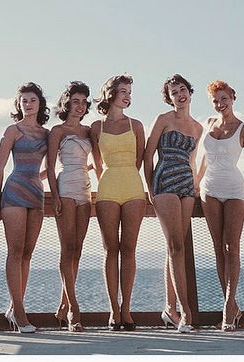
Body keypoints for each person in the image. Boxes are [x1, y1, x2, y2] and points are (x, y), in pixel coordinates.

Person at [197, 80, 244, 331]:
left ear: (233, 98)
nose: (220, 104)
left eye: (224, 98)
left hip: (234, 190)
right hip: (209, 190)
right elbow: (201, 161)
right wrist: (195, 184)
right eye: (215, 100)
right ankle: (230, 305)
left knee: (231, 246)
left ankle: (228, 307)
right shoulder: (208, 125)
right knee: (217, 248)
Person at [144, 74, 203, 333]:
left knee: (177, 248)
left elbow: (192, 160)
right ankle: (186, 311)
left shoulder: (198, 128)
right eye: (173, 92)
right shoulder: (163, 120)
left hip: (186, 186)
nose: (179, 95)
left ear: (189, 92)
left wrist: (196, 185)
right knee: (175, 246)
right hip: (165, 182)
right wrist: (150, 189)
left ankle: (170, 309)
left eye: (182, 89)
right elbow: (147, 155)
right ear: (169, 99)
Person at [90, 74, 146, 331]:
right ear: (110, 94)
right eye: (123, 91)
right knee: (110, 249)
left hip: (133, 186)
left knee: (129, 248)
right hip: (108, 186)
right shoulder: (96, 127)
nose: (127, 95)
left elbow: (139, 162)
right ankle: (114, 310)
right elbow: (97, 162)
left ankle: (127, 309)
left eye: (130, 92)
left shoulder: (137, 125)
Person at [0, 82, 50, 334]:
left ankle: (14, 306)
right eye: (24, 100)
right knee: (15, 251)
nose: (28, 104)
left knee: (27, 253)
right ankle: (19, 311)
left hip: (37, 194)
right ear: (19, 104)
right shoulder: (12, 130)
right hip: (14, 192)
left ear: (40, 104)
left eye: (32, 100)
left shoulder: (47, 134)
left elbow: (50, 169)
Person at [46, 81, 94, 332]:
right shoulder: (57, 131)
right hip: (65, 189)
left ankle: (63, 305)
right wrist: (54, 196)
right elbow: (51, 168)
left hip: (85, 191)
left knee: (78, 248)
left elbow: (98, 162)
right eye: (76, 101)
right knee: (67, 247)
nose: (80, 105)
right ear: (67, 103)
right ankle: (74, 309)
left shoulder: (89, 131)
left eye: (84, 102)